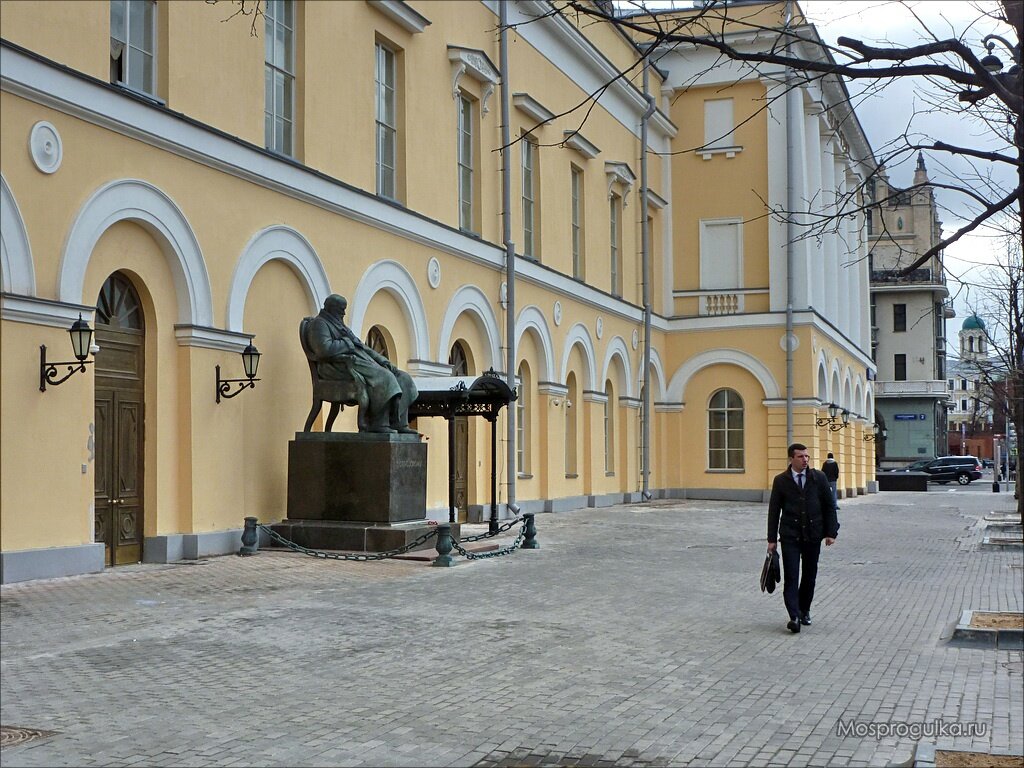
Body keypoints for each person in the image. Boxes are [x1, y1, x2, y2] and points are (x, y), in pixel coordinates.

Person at [307, 294, 418, 434]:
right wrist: (347, 342)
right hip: (338, 367)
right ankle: (378, 423)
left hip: (358, 362)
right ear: (331, 308)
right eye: (341, 309)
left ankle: (398, 423)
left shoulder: (340, 325)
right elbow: (324, 349)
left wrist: (383, 360)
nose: (344, 313)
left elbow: (362, 347)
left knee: (403, 377)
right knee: (385, 378)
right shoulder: (319, 324)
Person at [767, 443, 839, 634]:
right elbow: (774, 511)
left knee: (809, 576)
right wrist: (771, 538)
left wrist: (831, 532)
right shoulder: (781, 480)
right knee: (791, 576)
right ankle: (794, 616)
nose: (805, 460)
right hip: (790, 535)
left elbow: (829, 505)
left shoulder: (819, 478)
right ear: (791, 459)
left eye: (807, 456)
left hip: (813, 534)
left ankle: (804, 609)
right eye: (800, 457)